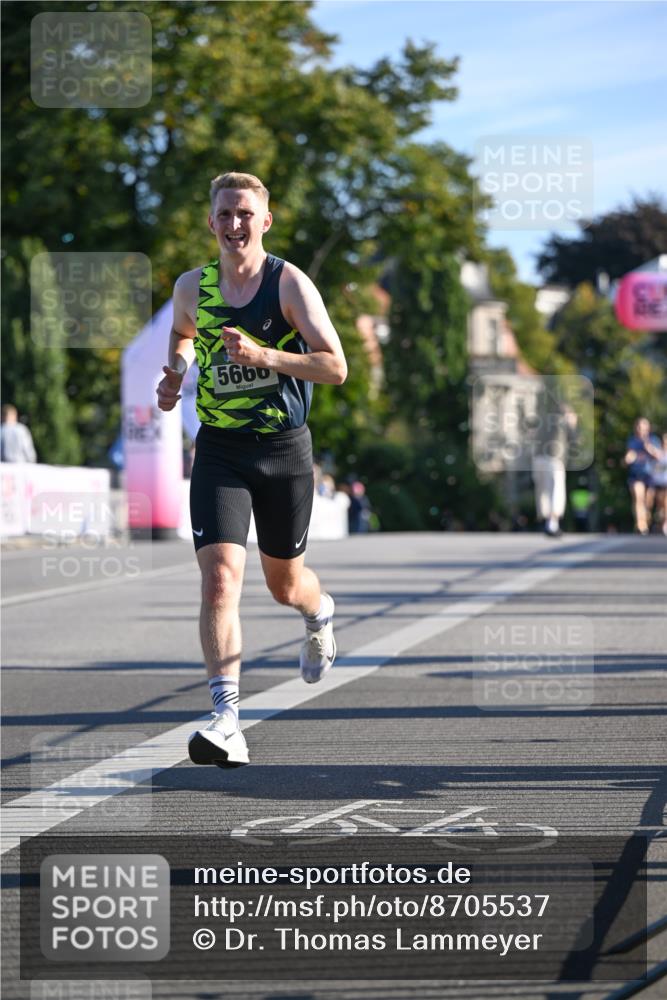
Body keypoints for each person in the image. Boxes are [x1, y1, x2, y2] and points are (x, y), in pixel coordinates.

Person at [156, 171, 347, 768]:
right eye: (225, 214)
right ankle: (226, 718)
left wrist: (265, 355)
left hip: (284, 450)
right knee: (218, 581)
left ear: (264, 222)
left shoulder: (287, 283)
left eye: (246, 214)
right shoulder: (192, 287)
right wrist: (176, 372)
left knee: (284, 584)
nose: (235, 224)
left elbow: (335, 366)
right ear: (211, 222)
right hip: (220, 449)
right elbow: (183, 334)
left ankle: (319, 614)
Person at [624, 417, 661, 535]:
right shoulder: (632, 441)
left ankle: (646, 519)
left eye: (643, 427)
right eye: (639, 427)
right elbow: (628, 457)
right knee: (638, 498)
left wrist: (649, 448)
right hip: (636, 474)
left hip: (651, 475)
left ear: (648, 428)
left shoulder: (654, 440)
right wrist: (628, 459)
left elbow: (659, 456)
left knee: (648, 502)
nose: (641, 429)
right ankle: (641, 524)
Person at [649, 431, 667, 536]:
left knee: (665, 503)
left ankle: (665, 524)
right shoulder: (658, 453)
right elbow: (653, 468)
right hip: (657, 483)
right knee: (659, 505)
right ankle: (659, 523)